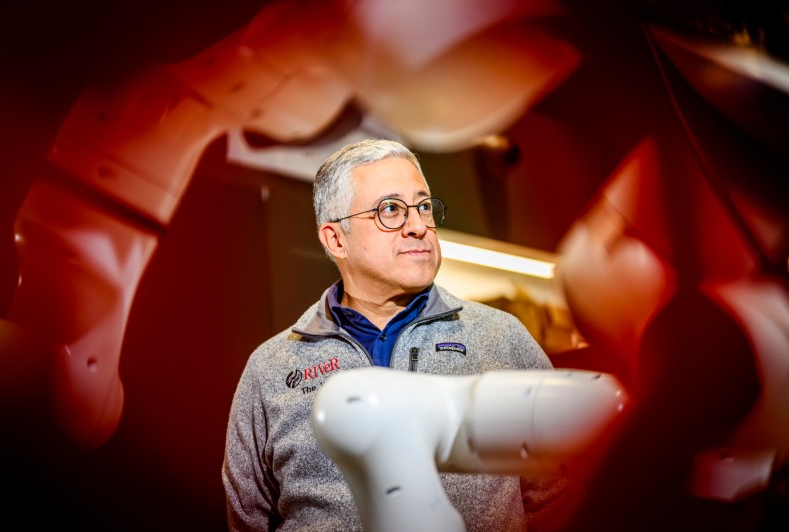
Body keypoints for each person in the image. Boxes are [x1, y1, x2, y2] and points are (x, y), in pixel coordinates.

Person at [222, 138, 570, 531]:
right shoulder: (270, 368)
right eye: (391, 210)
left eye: (424, 206)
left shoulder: (502, 338)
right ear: (336, 239)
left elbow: (557, 496)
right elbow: (247, 521)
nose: (419, 226)